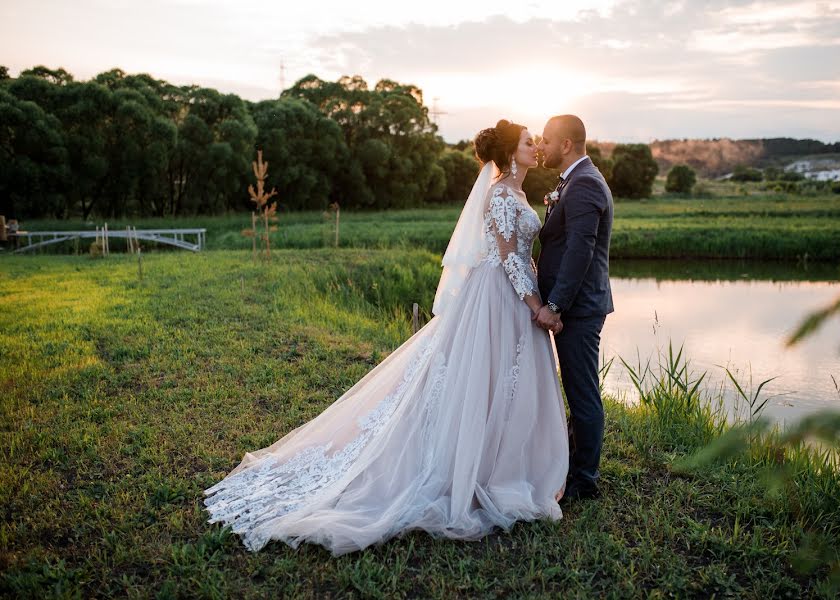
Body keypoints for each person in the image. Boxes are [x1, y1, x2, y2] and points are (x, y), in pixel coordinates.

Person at [205, 119, 569, 555]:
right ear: (511, 153)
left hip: (509, 294)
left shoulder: (519, 192)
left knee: (497, 381)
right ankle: (475, 470)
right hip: (499, 297)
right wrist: (535, 307)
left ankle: (504, 463)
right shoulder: (500, 195)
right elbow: (509, 258)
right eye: (529, 142)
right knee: (479, 377)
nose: (535, 147)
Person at [534, 115, 614, 502]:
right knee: (578, 387)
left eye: (546, 140)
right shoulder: (574, 180)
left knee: (582, 391)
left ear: (566, 144)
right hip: (575, 306)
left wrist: (555, 305)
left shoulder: (584, 184)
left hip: (579, 308)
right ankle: (573, 464)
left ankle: (585, 480)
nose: (541, 147)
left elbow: (580, 252)